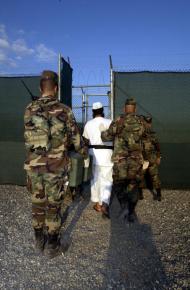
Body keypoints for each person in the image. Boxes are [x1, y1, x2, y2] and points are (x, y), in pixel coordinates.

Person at [24, 70, 88, 258]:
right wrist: (85, 152)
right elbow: (76, 140)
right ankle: (52, 246)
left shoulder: (29, 109)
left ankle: (38, 240)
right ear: (57, 88)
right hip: (56, 169)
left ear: (40, 88)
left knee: (37, 203)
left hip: (34, 167)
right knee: (53, 206)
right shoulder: (65, 110)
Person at [101, 98, 144, 222]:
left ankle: (124, 205)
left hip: (120, 160)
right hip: (136, 160)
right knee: (133, 184)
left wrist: (102, 132)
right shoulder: (141, 122)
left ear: (125, 108)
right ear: (135, 108)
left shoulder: (119, 121)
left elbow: (106, 137)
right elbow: (147, 140)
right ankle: (130, 211)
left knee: (119, 183)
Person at [83, 102, 113, 218]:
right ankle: (105, 203)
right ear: (102, 110)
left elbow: (85, 142)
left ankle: (97, 204)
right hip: (108, 155)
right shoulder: (110, 122)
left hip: (94, 155)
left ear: (92, 112)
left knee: (95, 179)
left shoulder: (88, 124)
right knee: (107, 181)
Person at [139, 116, 162, 201]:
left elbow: (157, 147)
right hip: (144, 160)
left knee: (154, 177)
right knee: (141, 176)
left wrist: (159, 157)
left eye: (149, 122)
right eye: (147, 122)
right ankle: (140, 194)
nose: (148, 124)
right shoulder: (141, 133)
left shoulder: (151, 135)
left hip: (150, 159)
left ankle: (158, 194)